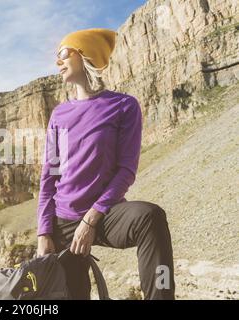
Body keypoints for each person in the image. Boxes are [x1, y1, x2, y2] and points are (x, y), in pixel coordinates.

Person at [36, 28, 175, 300]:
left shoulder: (123, 106)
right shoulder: (59, 115)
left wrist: (91, 218)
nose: (58, 61)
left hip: (105, 215)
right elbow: (49, 177)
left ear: (85, 54)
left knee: (151, 217)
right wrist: (44, 232)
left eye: (64, 53)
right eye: (57, 56)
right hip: (63, 222)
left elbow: (126, 171)